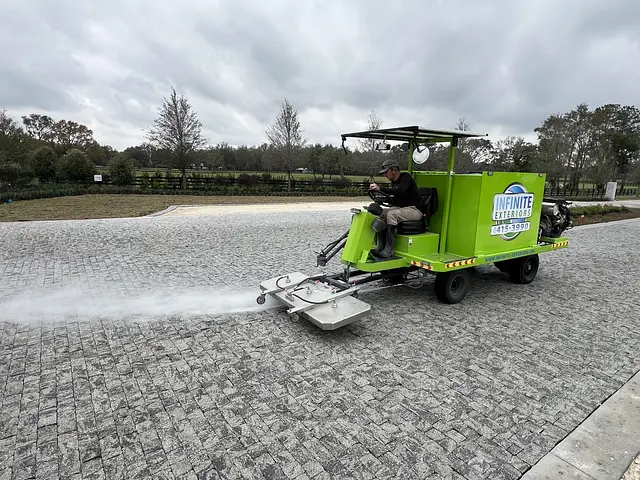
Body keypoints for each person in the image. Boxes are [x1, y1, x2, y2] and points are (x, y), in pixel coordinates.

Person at [369, 159, 423, 258]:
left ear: (393, 169)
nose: (385, 175)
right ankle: (381, 246)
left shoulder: (406, 177)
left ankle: (389, 250)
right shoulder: (394, 183)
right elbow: (394, 198)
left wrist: (380, 189)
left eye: (386, 172)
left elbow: (399, 191)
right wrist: (381, 199)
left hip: (415, 210)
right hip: (402, 209)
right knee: (381, 214)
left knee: (391, 214)